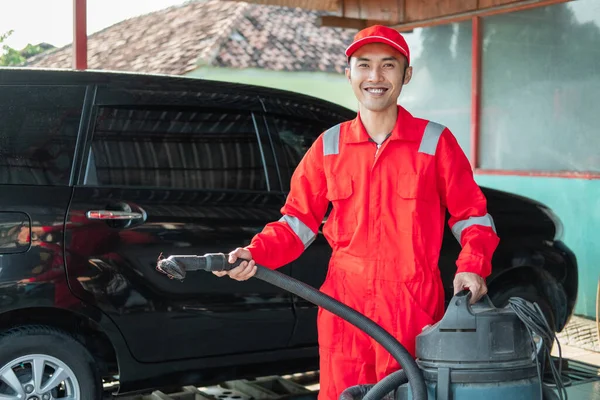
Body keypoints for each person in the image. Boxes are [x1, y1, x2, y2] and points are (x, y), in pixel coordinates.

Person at [213, 25, 500, 400]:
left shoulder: (435, 142)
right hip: (343, 308)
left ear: (406, 74)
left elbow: (473, 217)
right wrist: (255, 253)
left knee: (408, 393)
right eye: (364, 65)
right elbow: (296, 223)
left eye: (388, 65)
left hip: (411, 307)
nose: (375, 77)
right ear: (348, 73)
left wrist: (472, 266)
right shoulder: (329, 146)